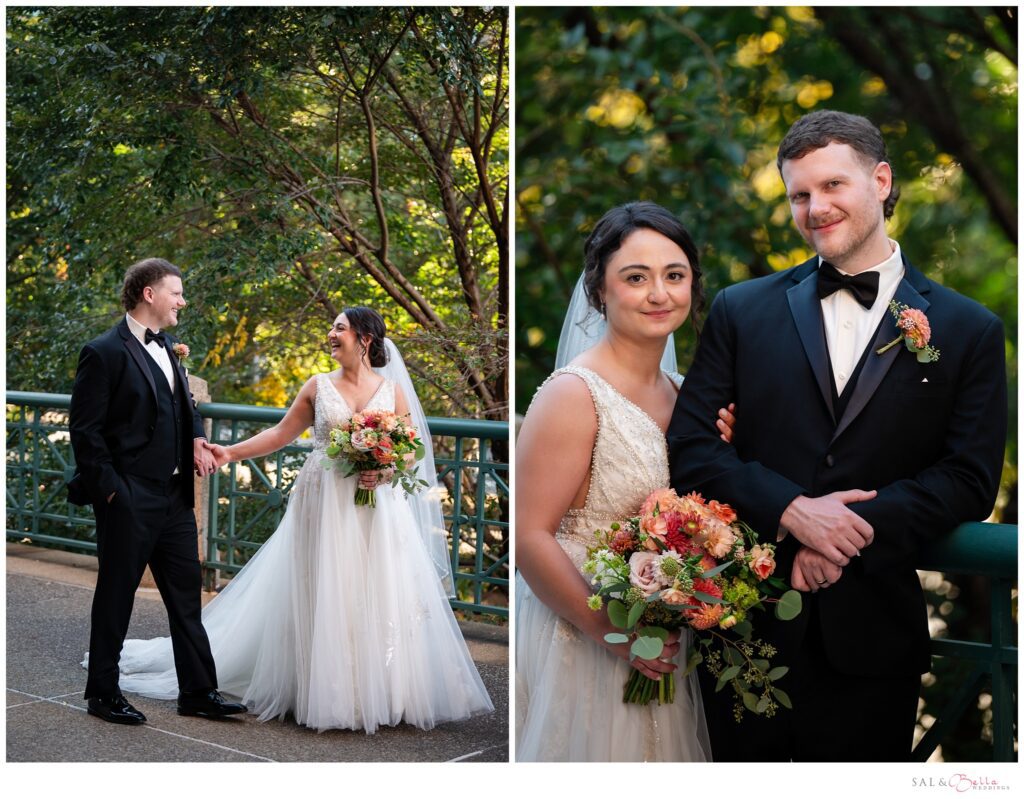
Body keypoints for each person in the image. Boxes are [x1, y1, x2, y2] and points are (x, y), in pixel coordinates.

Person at [668, 110, 1007, 761]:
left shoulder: (969, 329)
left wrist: (845, 533)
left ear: (880, 180)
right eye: (799, 194)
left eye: (832, 186)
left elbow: (968, 479)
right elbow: (692, 448)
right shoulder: (742, 309)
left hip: (874, 640)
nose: (815, 207)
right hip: (742, 627)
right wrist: (794, 512)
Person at [108, 306, 494, 733]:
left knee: (374, 587)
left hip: (377, 510)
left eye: (339, 328)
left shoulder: (392, 391)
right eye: (332, 327)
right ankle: (325, 689)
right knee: (324, 586)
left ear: (365, 339)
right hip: (323, 501)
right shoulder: (318, 386)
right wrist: (229, 452)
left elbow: (410, 451)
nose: (331, 334)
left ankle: (380, 690)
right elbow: (280, 433)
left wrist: (383, 469)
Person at [516, 201, 736, 762]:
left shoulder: (687, 394)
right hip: (585, 636)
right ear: (600, 290)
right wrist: (618, 636)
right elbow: (529, 537)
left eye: (674, 276)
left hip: (664, 636)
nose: (659, 294)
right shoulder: (573, 394)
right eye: (636, 278)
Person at [69, 257, 246, 725]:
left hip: (174, 497)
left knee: (187, 599)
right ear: (149, 294)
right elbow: (85, 432)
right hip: (129, 497)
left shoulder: (168, 346)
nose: (182, 301)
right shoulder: (103, 351)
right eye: (176, 293)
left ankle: (198, 692)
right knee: (116, 597)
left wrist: (197, 440)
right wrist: (113, 492)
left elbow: (185, 406)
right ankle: (102, 694)